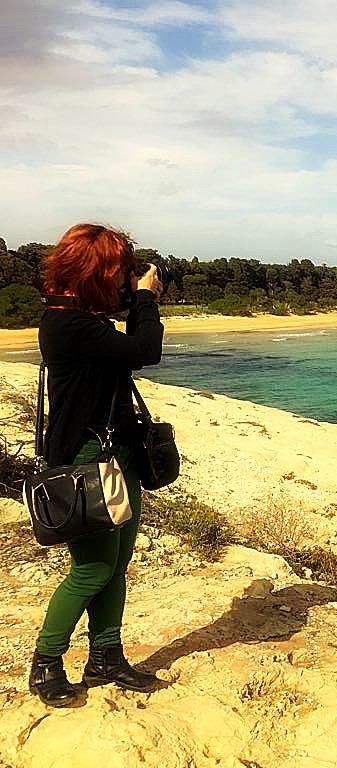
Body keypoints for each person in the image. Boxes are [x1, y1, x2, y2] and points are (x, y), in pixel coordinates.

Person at [28, 223, 165, 707]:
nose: (125, 279)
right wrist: (146, 298)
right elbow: (145, 350)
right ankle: (46, 661)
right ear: (99, 271)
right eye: (119, 270)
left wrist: (135, 298)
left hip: (116, 454)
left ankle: (106, 655)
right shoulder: (71, 325)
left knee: (117, 565)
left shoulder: (81, 317)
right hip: (89, 462)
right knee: (92, 568)